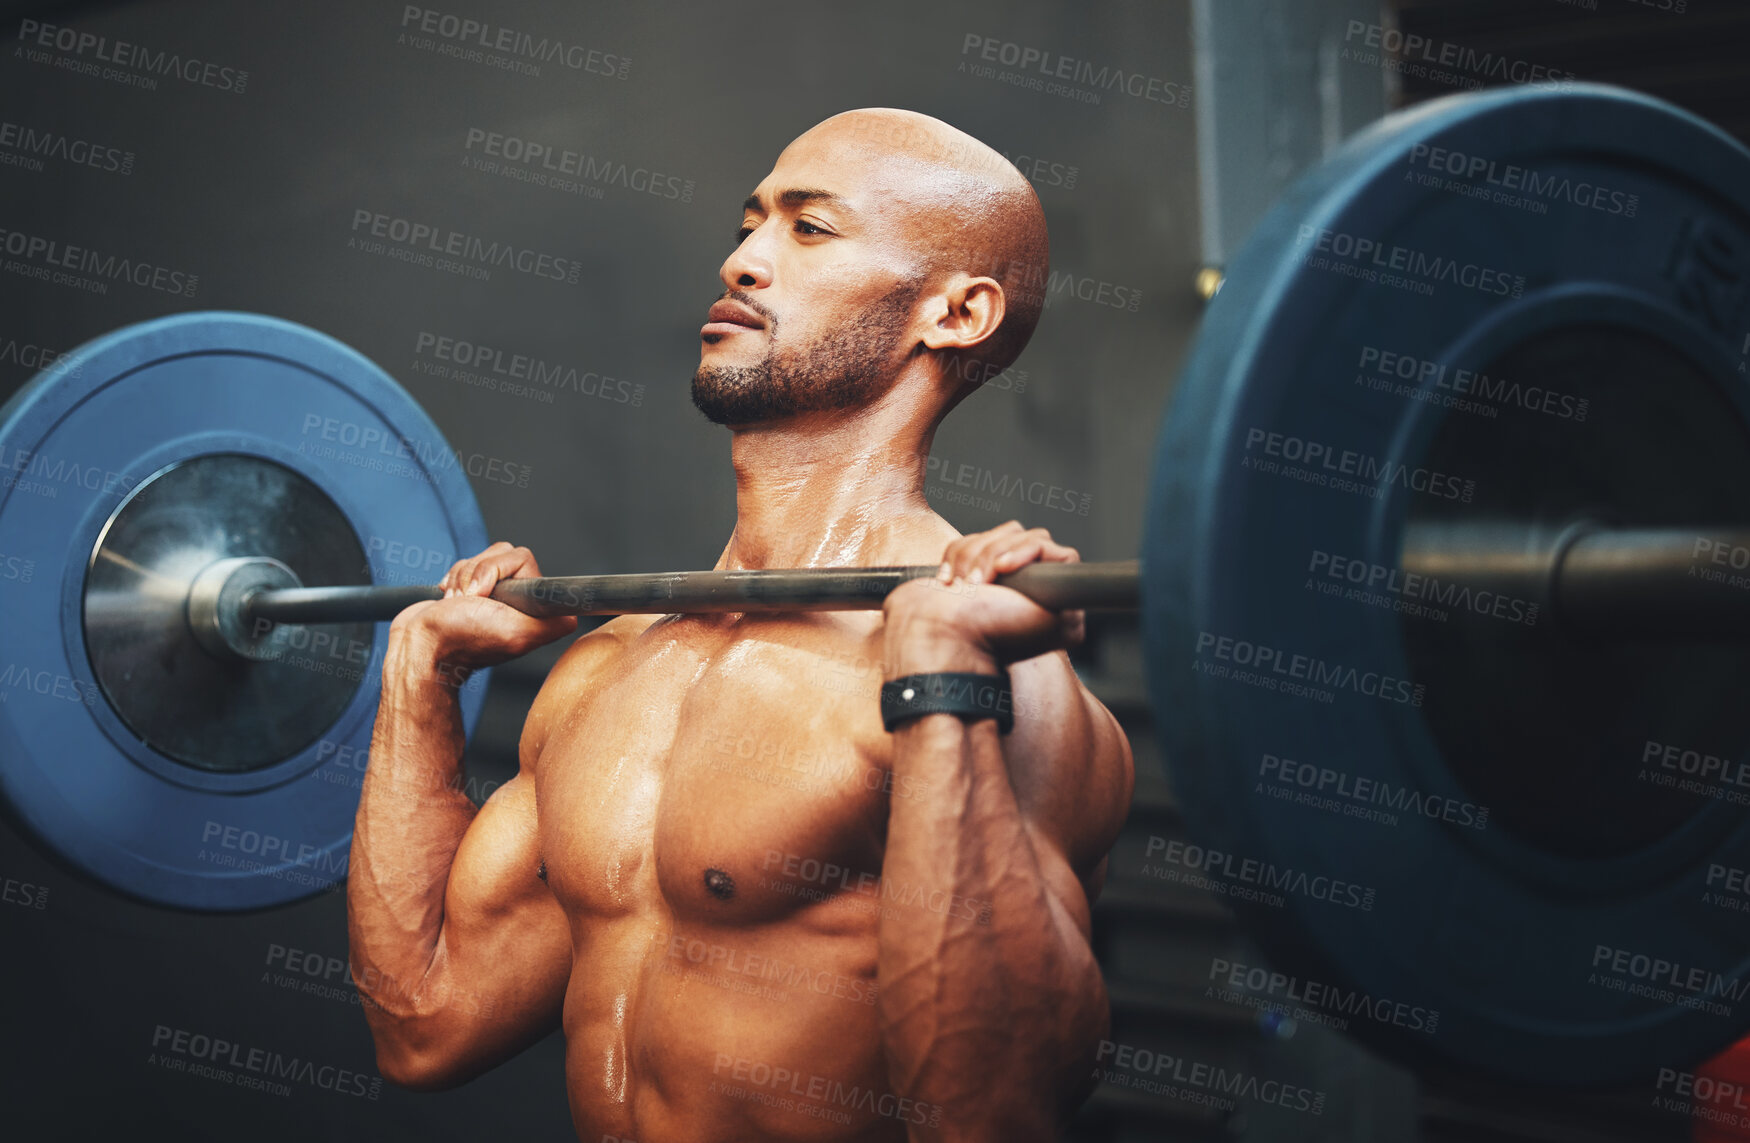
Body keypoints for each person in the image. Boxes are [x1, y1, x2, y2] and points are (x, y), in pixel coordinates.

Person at [347, 106, 1134, 1143]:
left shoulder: (998, 684)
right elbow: (426, 1027)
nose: (744, 259)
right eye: (749, 222)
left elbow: (991, 1117)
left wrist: (942, 684)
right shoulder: (610, 667)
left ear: (956, 313)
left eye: (809, 230)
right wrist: (419, 675)